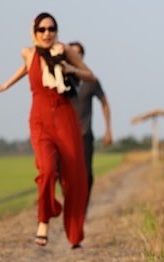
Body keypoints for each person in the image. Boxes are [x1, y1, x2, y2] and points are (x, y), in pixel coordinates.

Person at [0, 12, 93, 248]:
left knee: (75, 178)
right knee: (47, 170)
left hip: (65, 119)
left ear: (56, 31)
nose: (47, 33)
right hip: (40, 121)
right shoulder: (28, 53)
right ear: (34, 32)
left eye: (51, 29)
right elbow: (27, 68)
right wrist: (5, 85)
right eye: (42, 29)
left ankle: (74, 234)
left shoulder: (66, 51)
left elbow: (90, 75)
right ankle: (44, 220)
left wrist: (70, 69)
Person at [67, 41, 112, 210]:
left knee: (86, 175)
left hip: (84, 134)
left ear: (82, 57)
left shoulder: (91, 80)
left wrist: (108, 130)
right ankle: (71, 204)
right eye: (71, 53)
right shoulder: (61, 79)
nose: (75, 55)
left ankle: (82, 209)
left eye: (78, 53)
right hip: (65, 135)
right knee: (64, 174)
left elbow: (104, 103)